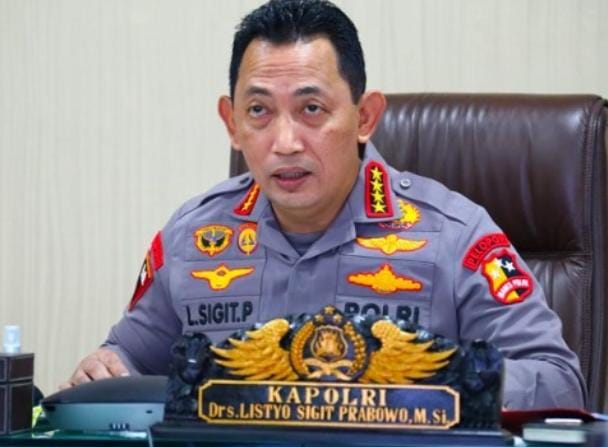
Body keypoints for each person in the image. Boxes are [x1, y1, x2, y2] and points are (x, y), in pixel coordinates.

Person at [62, 0, 586, 409]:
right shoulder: (192, 238)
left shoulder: (456, 236)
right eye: (259, 111)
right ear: (232, 123)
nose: (285, 142)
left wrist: (426, 381)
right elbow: (130, 358)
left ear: (365, 117)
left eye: (311, 108)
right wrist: (105, 367)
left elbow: (558, 381)